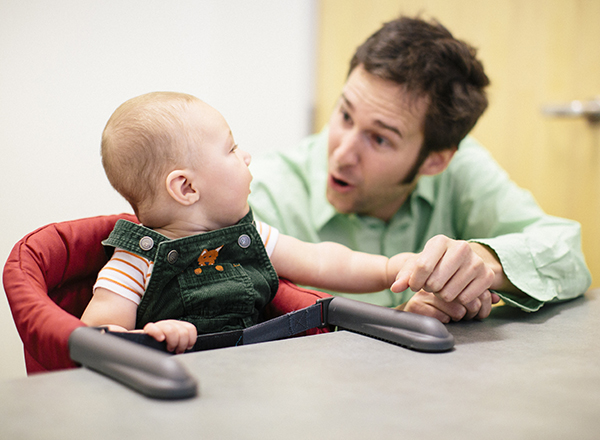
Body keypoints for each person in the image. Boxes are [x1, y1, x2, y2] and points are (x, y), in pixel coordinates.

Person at [248, 15, 592, 323]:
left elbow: (568, 252)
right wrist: (396, 320)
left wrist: (484, 263)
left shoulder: (460, 170)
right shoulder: (262, 193)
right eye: (345, 114)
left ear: (435, 160)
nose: (342, 153)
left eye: (379, 139)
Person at [81, 91, 416, 353]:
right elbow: (95, 335)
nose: (246, 157)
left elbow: (321, 260)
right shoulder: (136, 261)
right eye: (231, 149)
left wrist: (388, 270)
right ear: (187, 188)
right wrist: (150, 337)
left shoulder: (248, 235)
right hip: (172, 392)